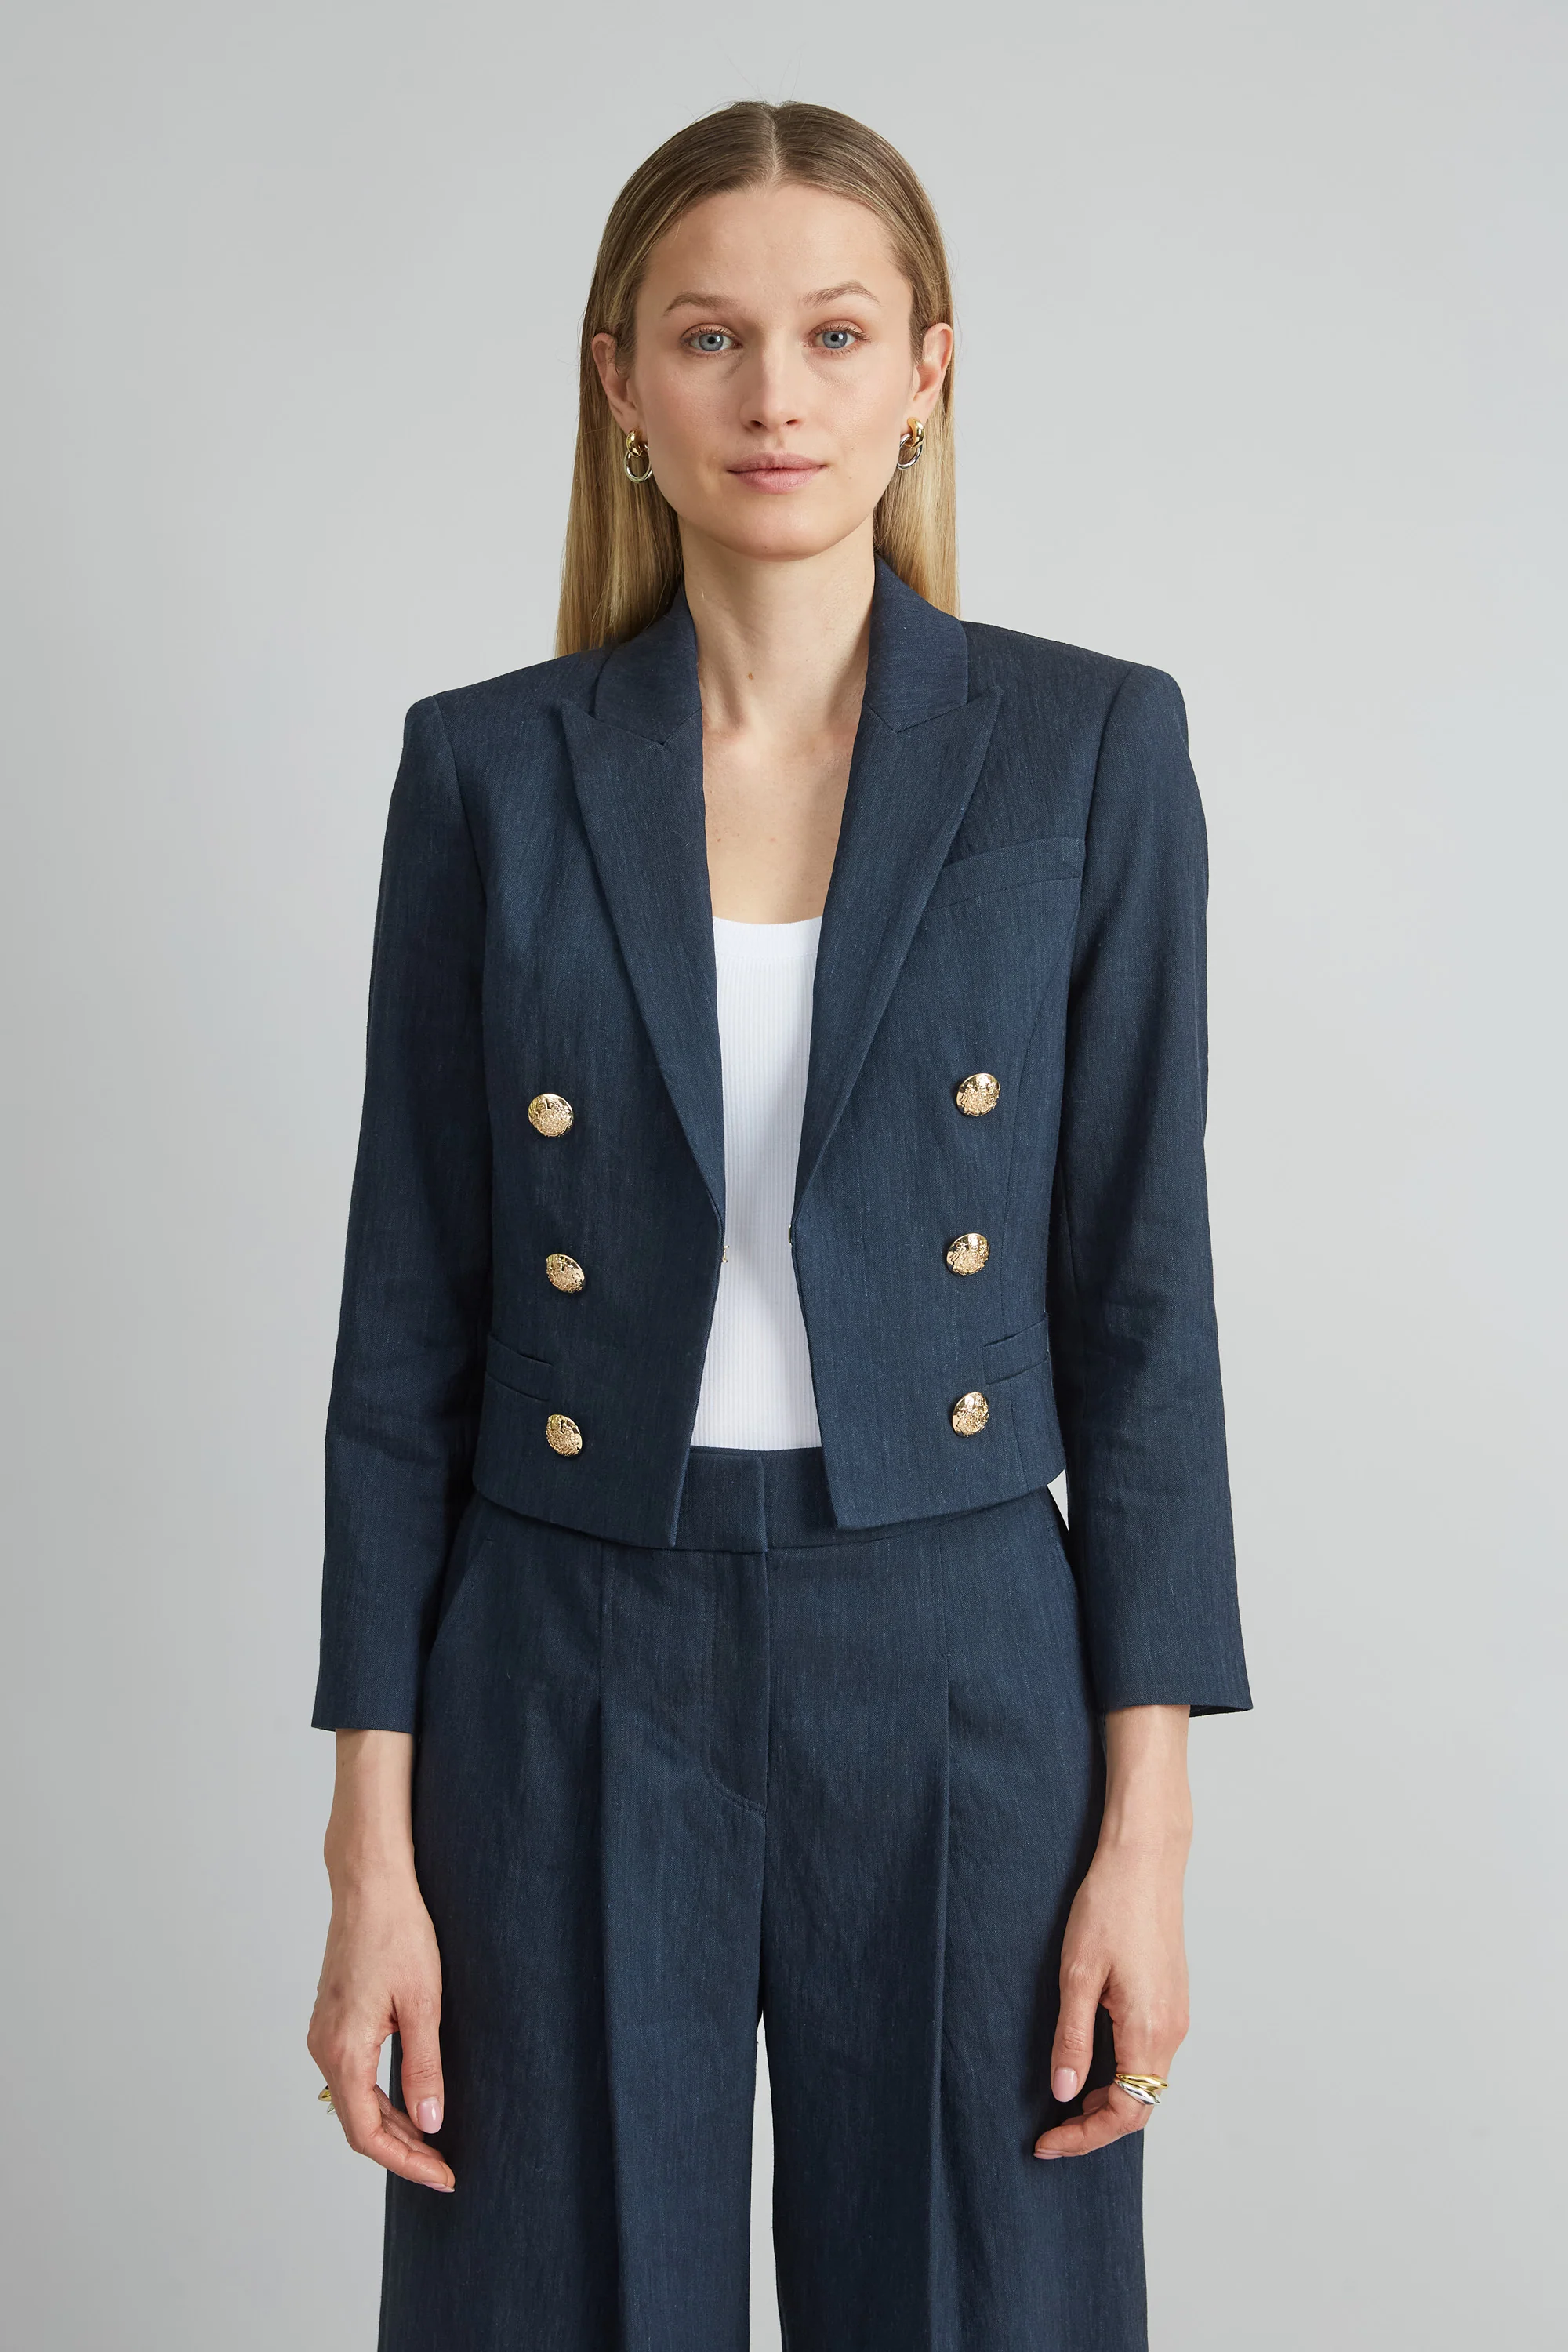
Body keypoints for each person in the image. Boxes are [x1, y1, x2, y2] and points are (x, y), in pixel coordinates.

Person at [307, 97, 1250, 2352]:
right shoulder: (487, 770)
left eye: (834, 333)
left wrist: (1149, 1837)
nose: (775, 395)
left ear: (928, 369)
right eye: (708, 336)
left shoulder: (1087, 750)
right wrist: (370, 1854)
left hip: (955, 1648)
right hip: (561, 1653)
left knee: (978, 2310)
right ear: (618, 383)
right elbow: (403, 1332)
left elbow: (1141, 1314)